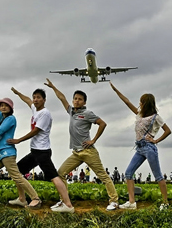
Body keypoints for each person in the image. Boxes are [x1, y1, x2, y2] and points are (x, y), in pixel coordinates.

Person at [45, 79, 119, 211]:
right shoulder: (72, 112)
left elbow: (103, 124)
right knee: (61, 173)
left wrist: (93, 140)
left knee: (103, 176)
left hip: (88, 151)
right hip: (76, 153)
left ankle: (114, 201)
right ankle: (64, 201)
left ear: (84, 102)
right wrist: (53, 87)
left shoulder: (87, 113)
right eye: (75, 98)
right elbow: (62, 98)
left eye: (79, 99)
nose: (76, 101)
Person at [7, 87, 74, 213]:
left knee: (54, 177)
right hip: (35, 151)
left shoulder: (45, 113)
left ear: (44, 100)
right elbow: (27, 100)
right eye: (34, 97)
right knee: (18, 170)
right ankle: (22, 199)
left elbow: (35, 131)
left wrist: (19, 140)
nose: (35, 100)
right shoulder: (35, 109)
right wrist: (18, 93)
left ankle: (68, 205)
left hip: (42, 152)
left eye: (38, 97)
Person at [109, 82, 171, 210]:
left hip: (149, 147)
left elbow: (168, 130)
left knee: (158, 176)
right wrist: (116, 91)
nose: (139, 104)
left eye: (141, 102)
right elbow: (127, 102)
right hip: (139, 148)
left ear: (146, 103)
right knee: (128, 173)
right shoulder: (139, 113)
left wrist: (156, 140)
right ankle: (132, 202)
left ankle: (165, 203)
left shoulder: (156, 117)